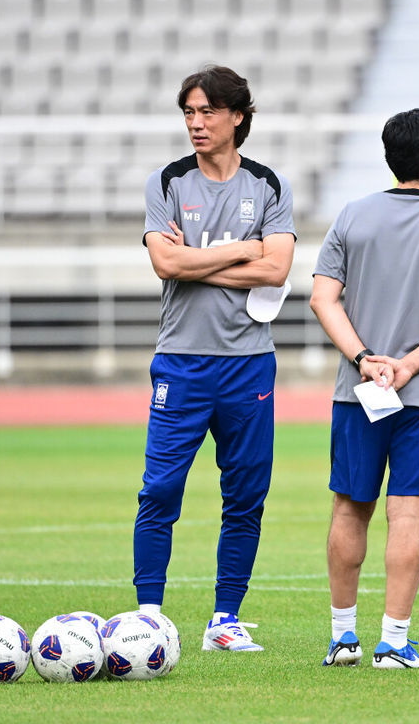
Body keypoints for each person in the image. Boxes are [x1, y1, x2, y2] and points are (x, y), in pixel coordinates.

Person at [310, 108, 419, 669]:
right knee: (407, 517)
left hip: (357, 392)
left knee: (348, 510)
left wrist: (364, 360)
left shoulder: (353, 215)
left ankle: (343, 639)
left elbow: (322, 298)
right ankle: (393, 642)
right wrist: (406, 366)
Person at [134, 65, 296, 652]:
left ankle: (224, 620)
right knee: (160, 490)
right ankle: (147, 617)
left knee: (246, 496)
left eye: (207, 111)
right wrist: (243, 250)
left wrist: (198, 262)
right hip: (181, 361)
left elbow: (277, 271)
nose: (196, 123)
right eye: (189, 112)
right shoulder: (168, 182)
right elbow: (165, 264)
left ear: (238, 116)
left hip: (249, 363)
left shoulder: (269, 185)